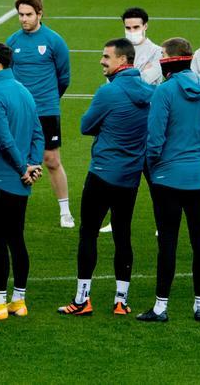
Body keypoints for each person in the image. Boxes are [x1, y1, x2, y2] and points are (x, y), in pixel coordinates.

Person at [58, 38, 153, 318]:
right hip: (130, 177)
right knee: (123, 235)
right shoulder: (150, 92)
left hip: (102, 173)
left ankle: (82, 299)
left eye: (106, 57)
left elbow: (86, 125)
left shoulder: (108, 92)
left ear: (122, 61)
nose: (101, 61)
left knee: (88, 232)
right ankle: (121, 301)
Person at [138, 38, 200, 323]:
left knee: (168, 244)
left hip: (167, 178)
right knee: (199, 241)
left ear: (171, 59)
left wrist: (156, 164)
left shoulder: (164, 92)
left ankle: (161, 307)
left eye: (162, 54)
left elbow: (155, 137)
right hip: (198, 177)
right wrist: (199, 158)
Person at [0, 43, 44, 321]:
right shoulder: (25, 92)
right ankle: (19, 300)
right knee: (17, 239)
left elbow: (4, 139)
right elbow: (38, 133)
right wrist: (33, 166)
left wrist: (21, 168)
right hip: (20, 184)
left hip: (0, 180)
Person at [5, 0, 72, 228]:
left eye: (28, 15)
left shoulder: (54, 41)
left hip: (46, 110)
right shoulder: (12, 42)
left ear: (39, 14)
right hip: (20, 111)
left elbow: (64, 77)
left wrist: (50, 98)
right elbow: (8, 76)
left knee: (51, 160)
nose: (24, 19)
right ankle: (14, 208)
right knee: (17, 158)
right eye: (21, 15)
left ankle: (65, 211)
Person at [121, 7, 163, 85]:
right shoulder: (118, 50)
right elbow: (110, 80)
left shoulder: (158, 52)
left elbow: (144, 81)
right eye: (128, 28)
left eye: (136, 27)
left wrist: (122, 75)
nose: (132, 31)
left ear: (145, 26)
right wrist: (141, 72)